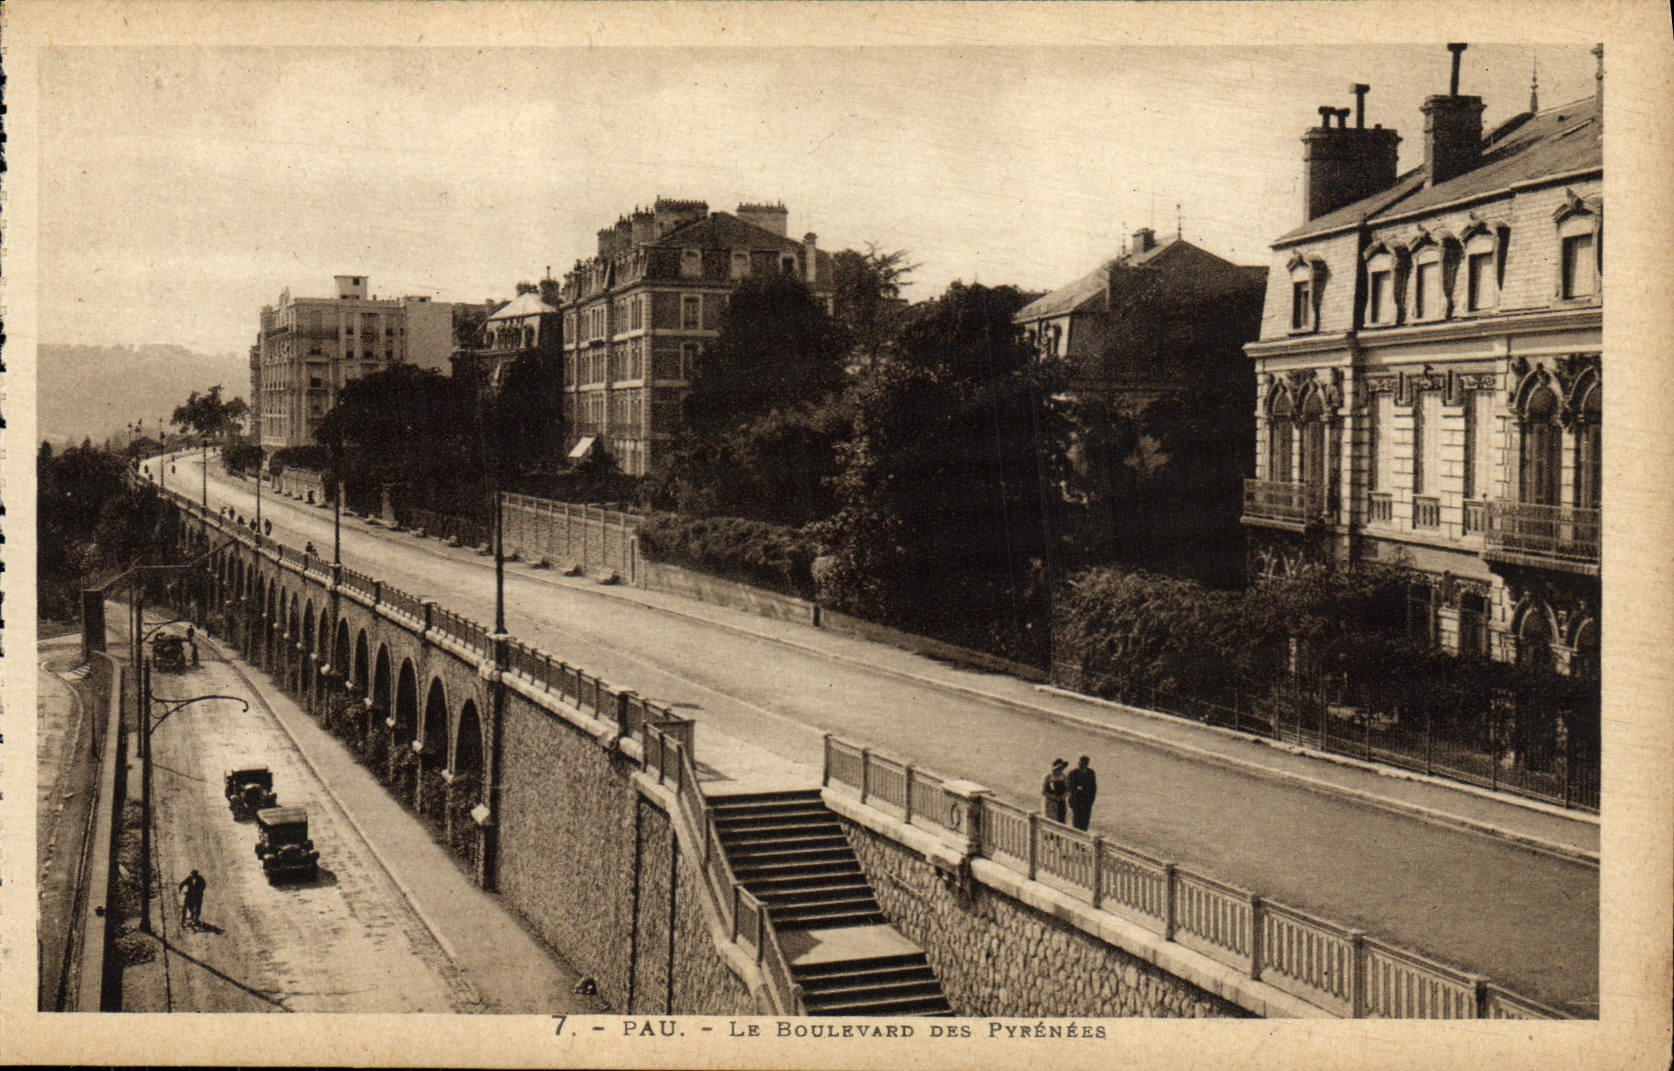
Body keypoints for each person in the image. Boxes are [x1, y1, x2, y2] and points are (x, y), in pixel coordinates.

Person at [1066, 755, 1098, 831]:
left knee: (1085, 821)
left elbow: (1093, 787)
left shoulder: (1091, 773)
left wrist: (1091, 799)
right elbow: (1068, 786)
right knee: (1077, 821)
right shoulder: (1073, 773)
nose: (1081, 766)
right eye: (1080, 764)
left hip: (1087, 801)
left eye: (1084, 764)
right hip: (1076, 800)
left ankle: (1083, 836)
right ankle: (1076, 839)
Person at [1041, 758, 1069, 824]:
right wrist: (1053, 796)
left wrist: (1063, 796)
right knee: (1051, 821)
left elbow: (1067, 790)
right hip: (1050, 803)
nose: (1060, 770)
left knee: (1061, 821)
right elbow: (1043, 791)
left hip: (1061, 803)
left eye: (1061, 768)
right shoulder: (1048, 777)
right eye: (1058, 768)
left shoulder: (1063, 776)